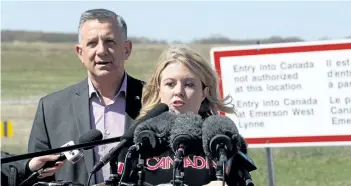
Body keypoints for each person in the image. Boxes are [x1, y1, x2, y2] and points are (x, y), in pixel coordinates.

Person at [27, 8, 144, 185]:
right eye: (92, 43)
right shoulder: (50, 108)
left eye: (110, 41)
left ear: (126, 49)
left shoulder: (154, 100)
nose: (102, 50)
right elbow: (35, 179)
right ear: (80, 53)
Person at [114, 45, 251, 186]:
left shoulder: (220, 143)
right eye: (170, 84)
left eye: (189, 84)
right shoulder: (139, 142)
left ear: (204, 92)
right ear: (159, 90)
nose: (178, 91)